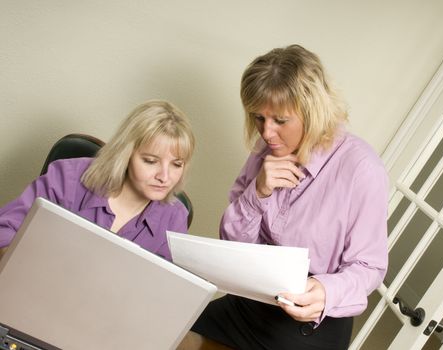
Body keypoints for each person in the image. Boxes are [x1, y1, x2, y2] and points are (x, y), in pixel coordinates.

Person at [184, 44, 389, 350]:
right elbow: (233, 245)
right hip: (248, 306)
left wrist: (323, 290)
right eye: (258, 118)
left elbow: (370, 267)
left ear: (313, 112)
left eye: (280, 120)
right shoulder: (264, 152)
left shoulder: (361, 169)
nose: (266, 133)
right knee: (171, 328)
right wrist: (257, 193)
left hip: (308, 326)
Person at [0, 99, 195, 261]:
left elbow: (162, 291)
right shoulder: (68, 177)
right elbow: (5, 231)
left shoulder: (174, 217)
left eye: (177, 164)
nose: (164, 176)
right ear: (125, 154)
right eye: (150, 161)